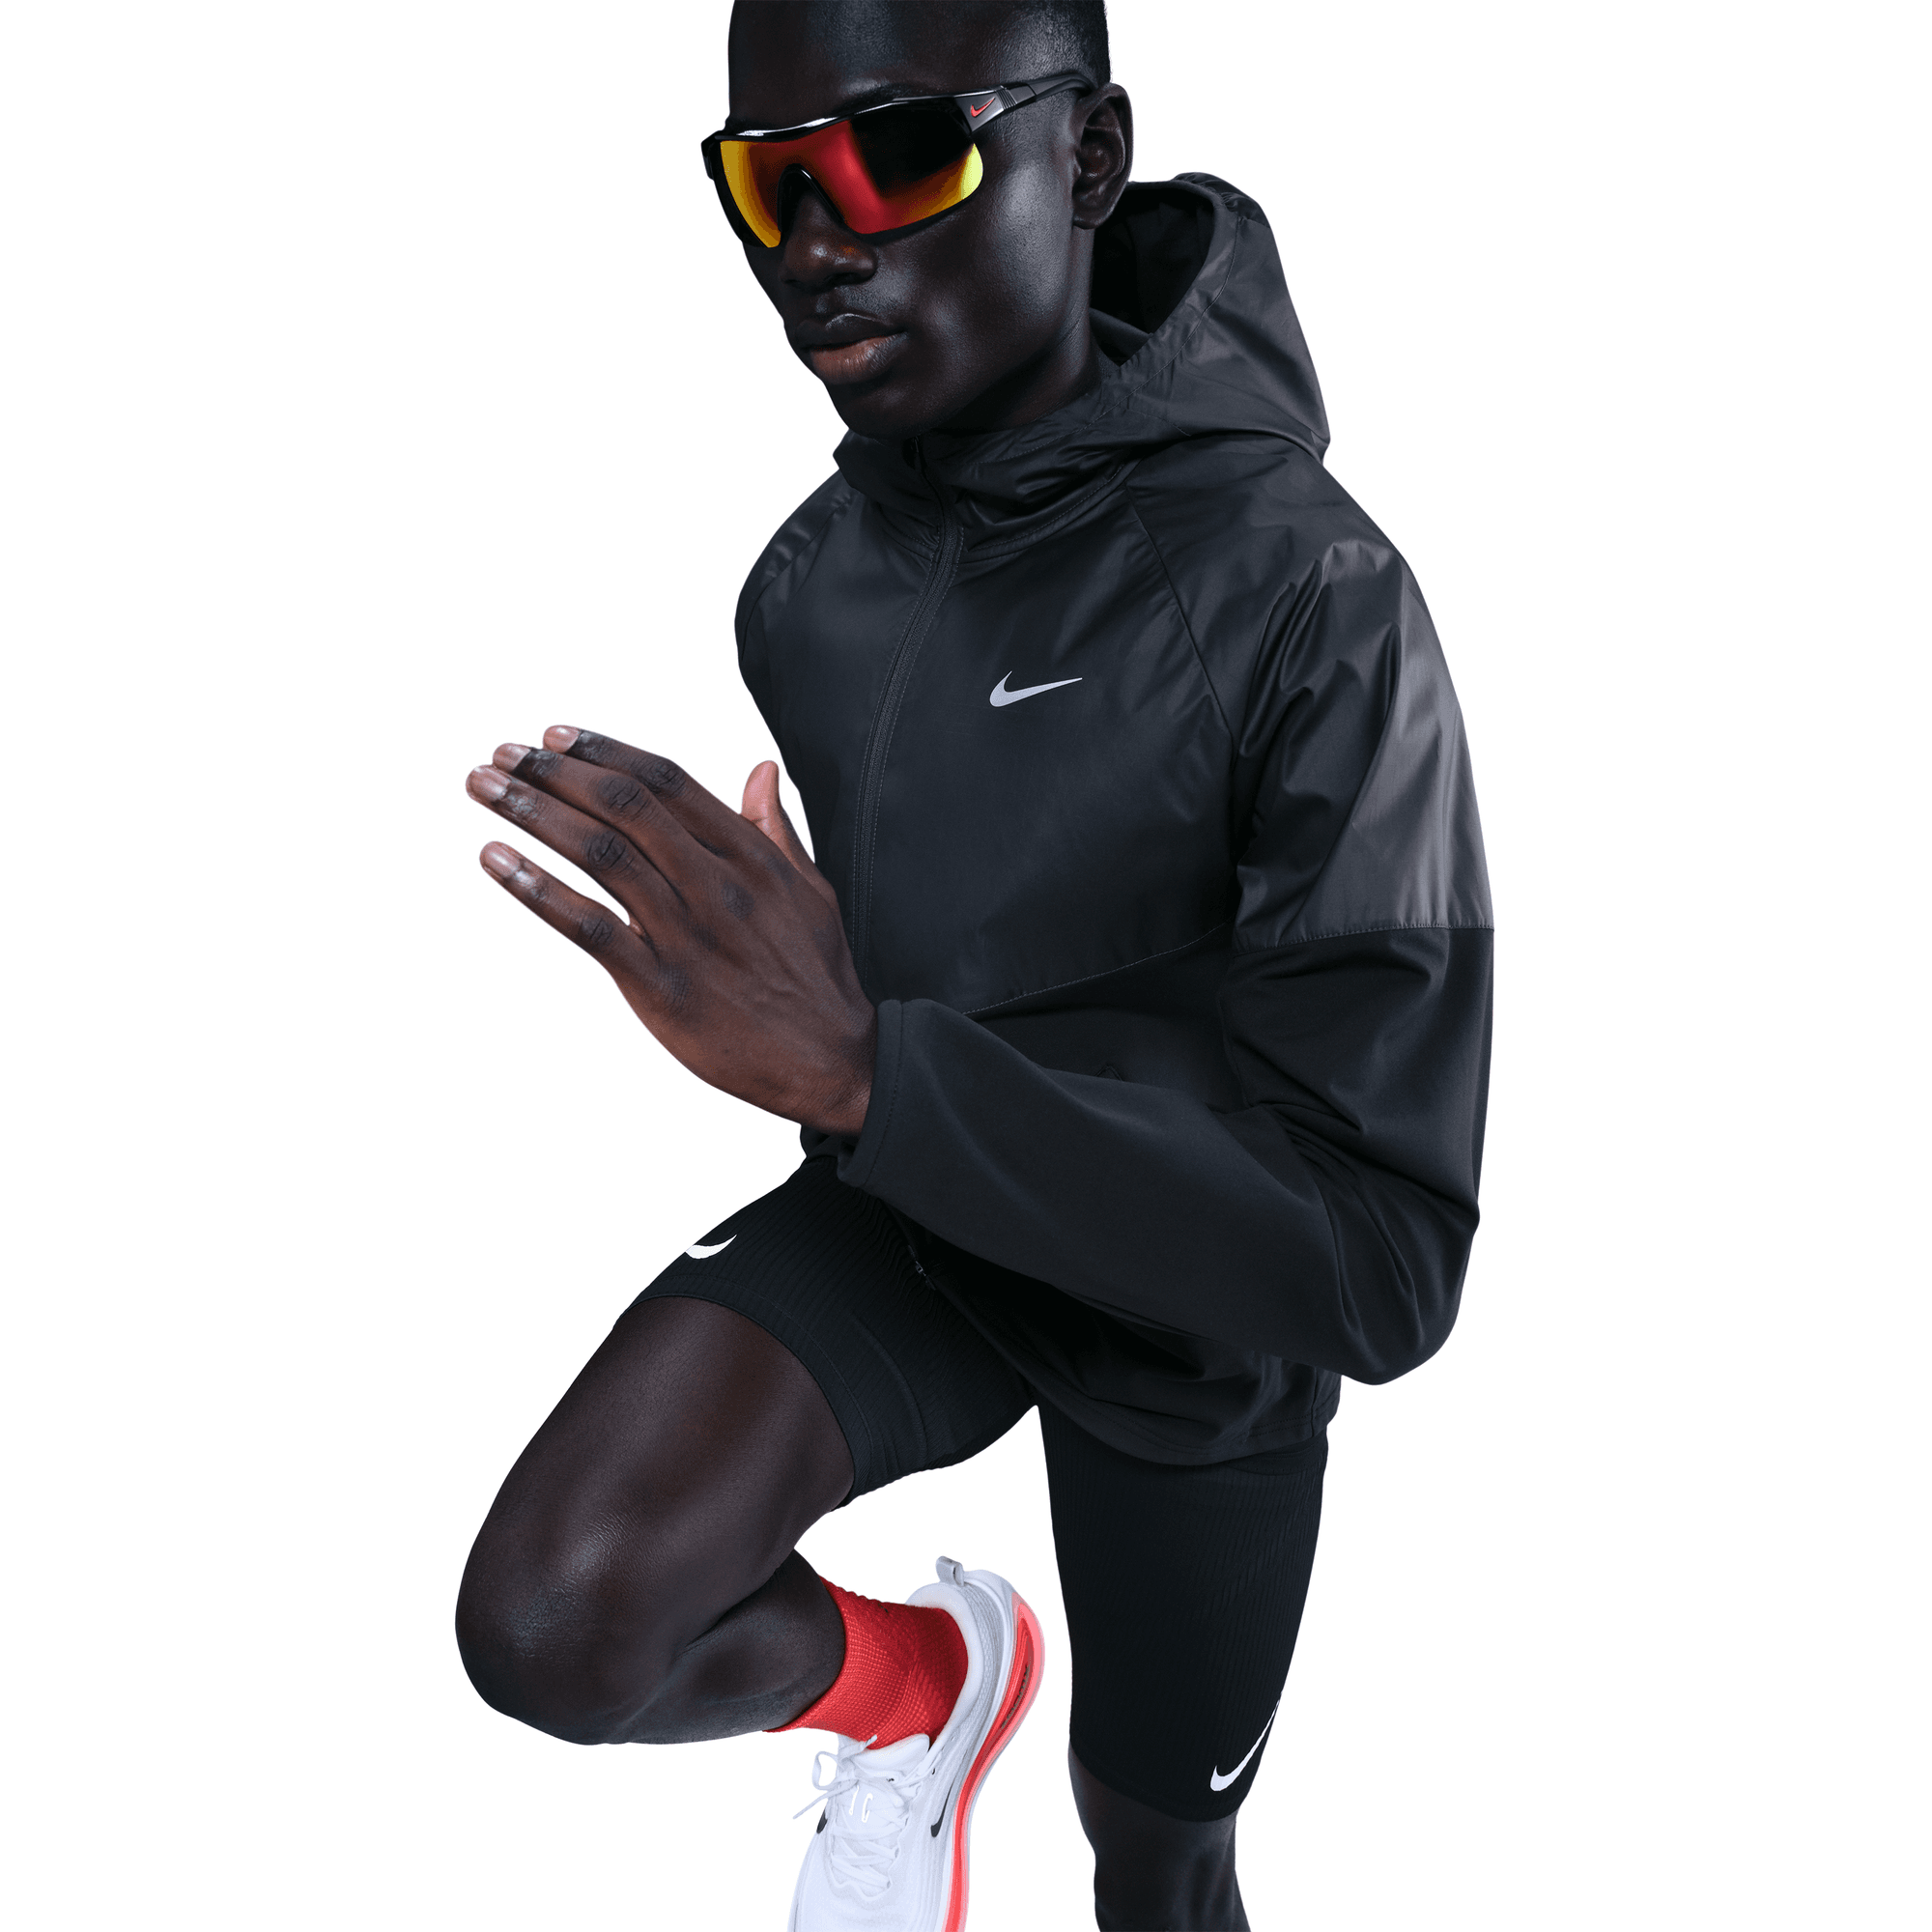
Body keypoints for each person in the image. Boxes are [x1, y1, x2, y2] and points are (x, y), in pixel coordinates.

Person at [454, 3, 1492, 1926]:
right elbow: (919, 984)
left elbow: (1386, 1259)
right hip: (919, 1209)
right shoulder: (804, 591)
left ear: (1084, 158)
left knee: (1158, 1863)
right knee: (555, 1626)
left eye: (898, 153)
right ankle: (921, 1695)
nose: (816, 241)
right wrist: (824, 1028)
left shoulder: (1317, 598)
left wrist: (861, 1065)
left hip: (1199, 1316)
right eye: (768, 181)